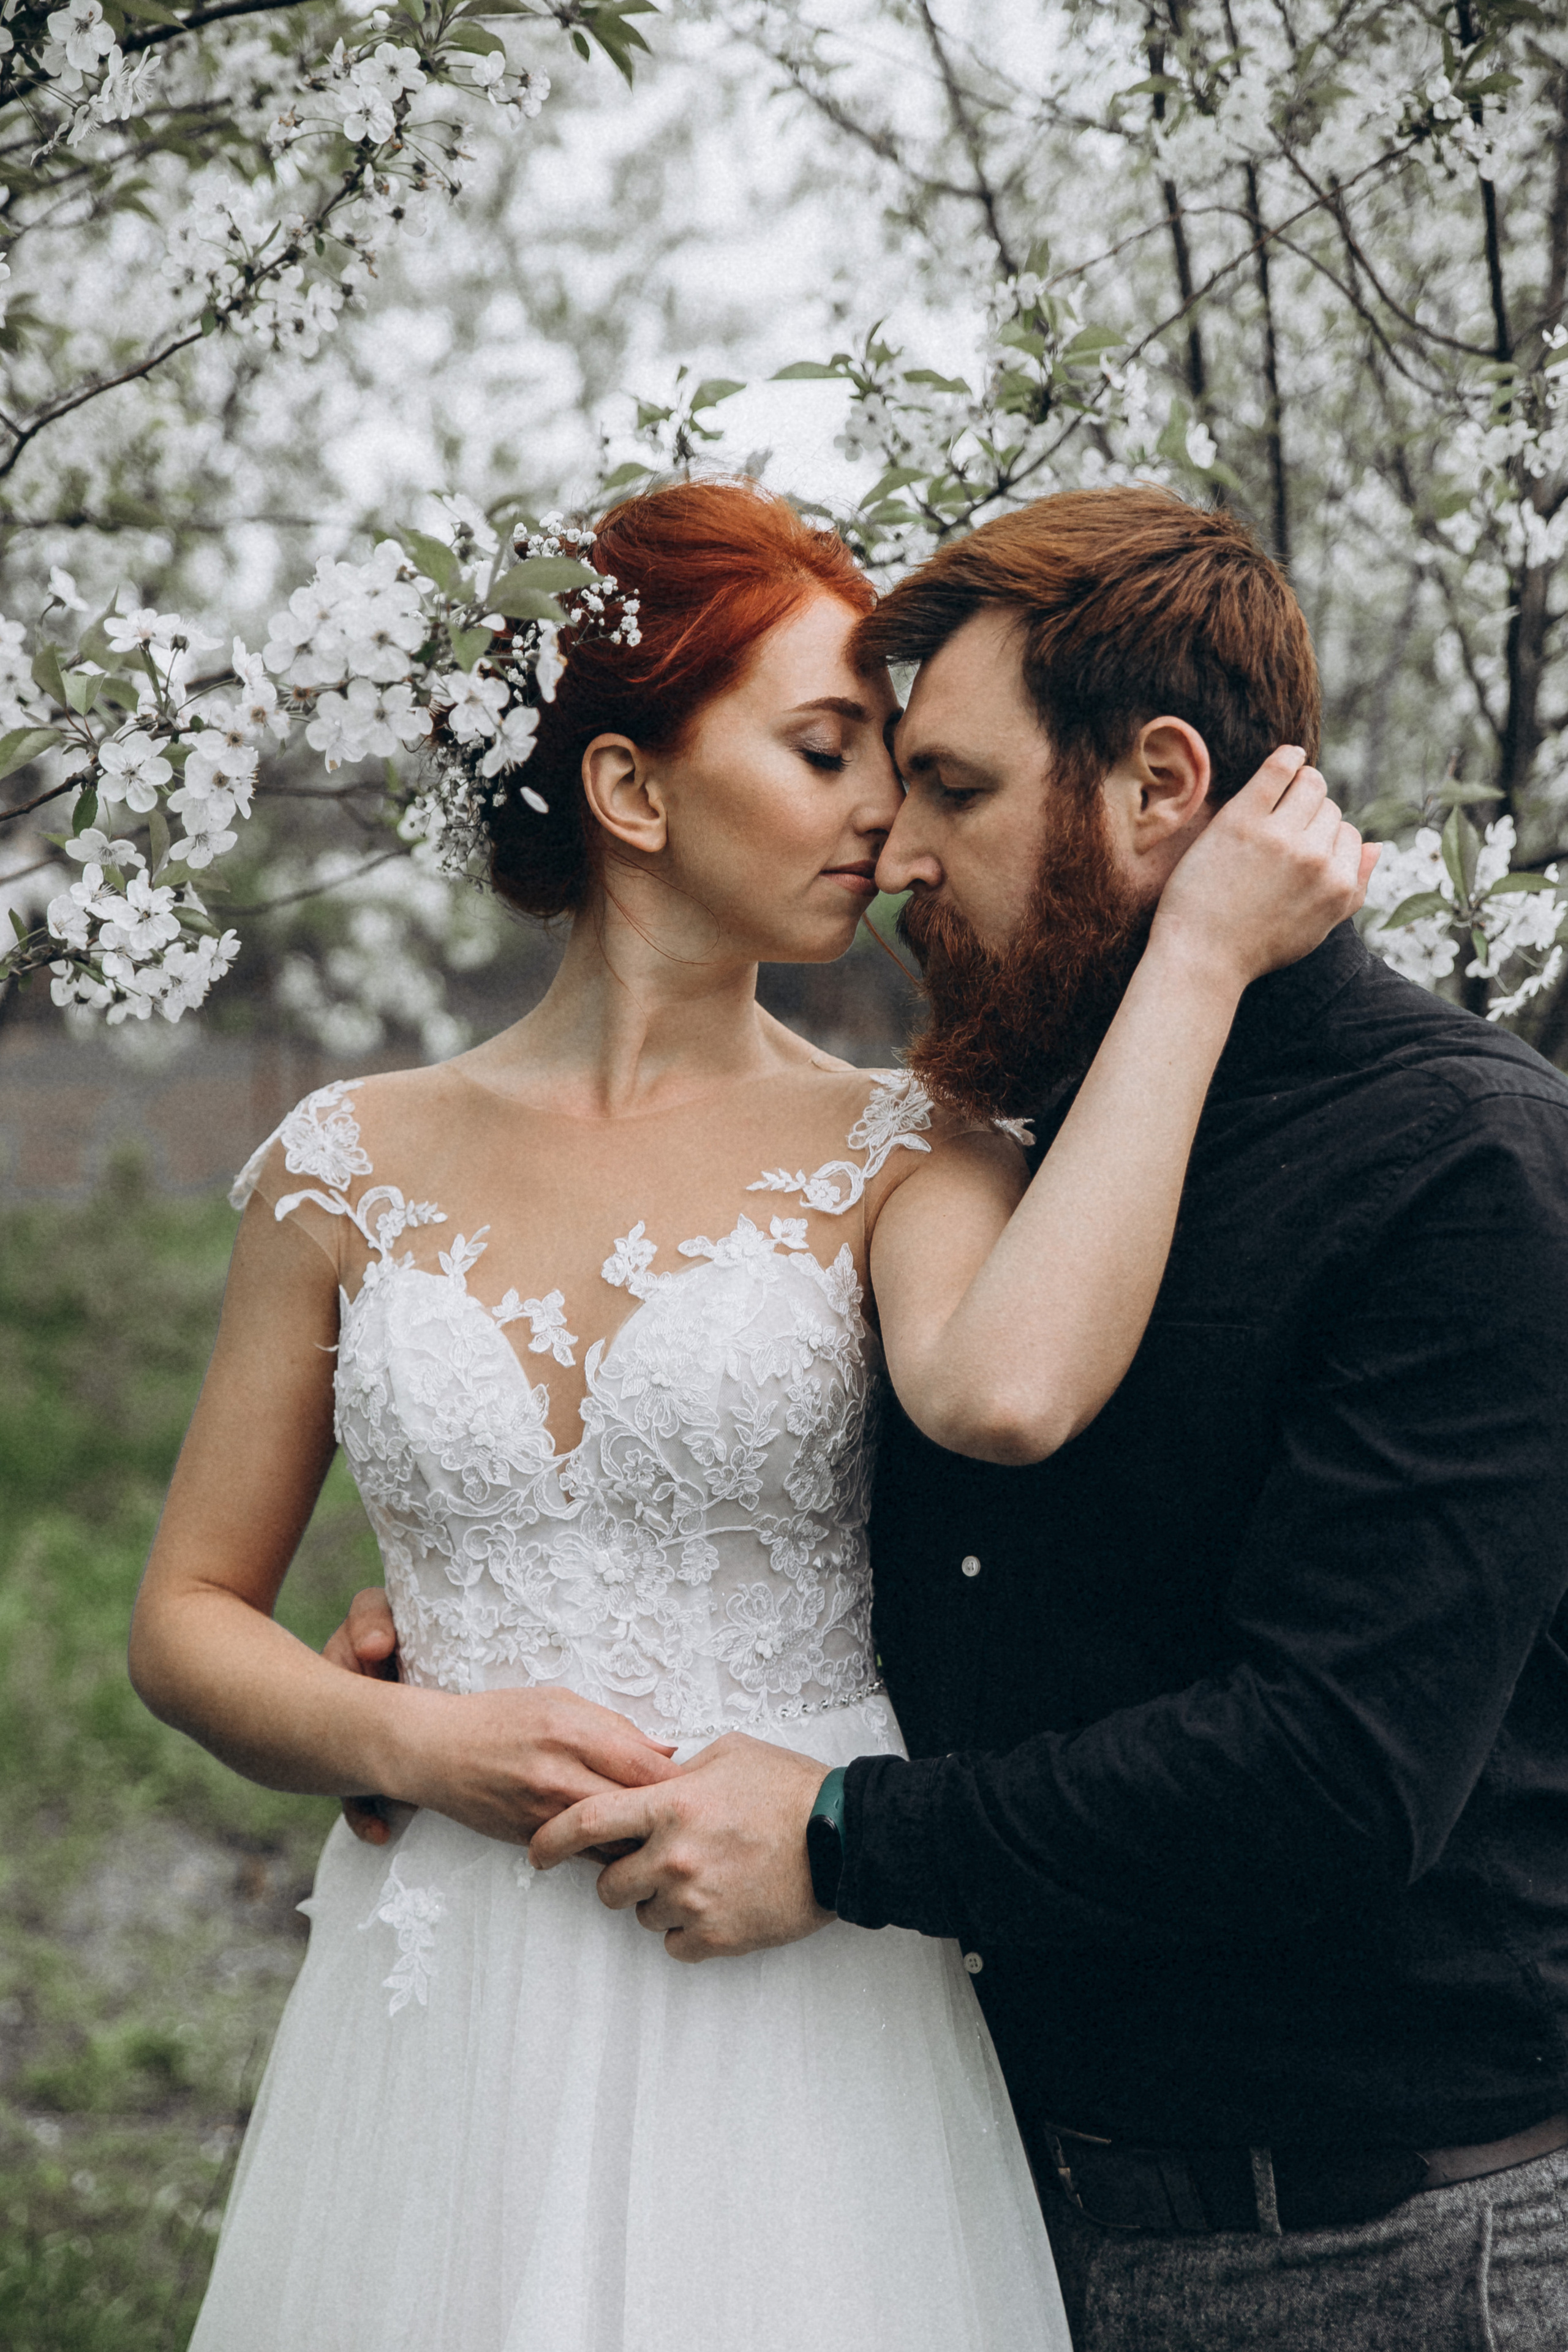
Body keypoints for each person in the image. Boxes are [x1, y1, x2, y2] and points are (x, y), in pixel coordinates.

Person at [129, 480, 1367, 2352]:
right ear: (632, 794)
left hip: (797, 1989)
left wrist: (1197, 955)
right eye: (824, 750)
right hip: (443, 1988)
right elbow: (183, 1621)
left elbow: (1005, 1392)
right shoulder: (341, 1167)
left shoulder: (910, 1142)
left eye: (898, 760)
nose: (884, 812)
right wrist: (409, 1738)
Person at [513, 487, 1568, 2352]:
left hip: (1373, 2247)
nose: (898, 850)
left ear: (1160, 787)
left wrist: (844, 1840)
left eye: (960, 791)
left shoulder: (1462, 1165)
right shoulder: (1042, 1137)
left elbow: (1333, 1771)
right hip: (987, 2195)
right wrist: (488, 1638)